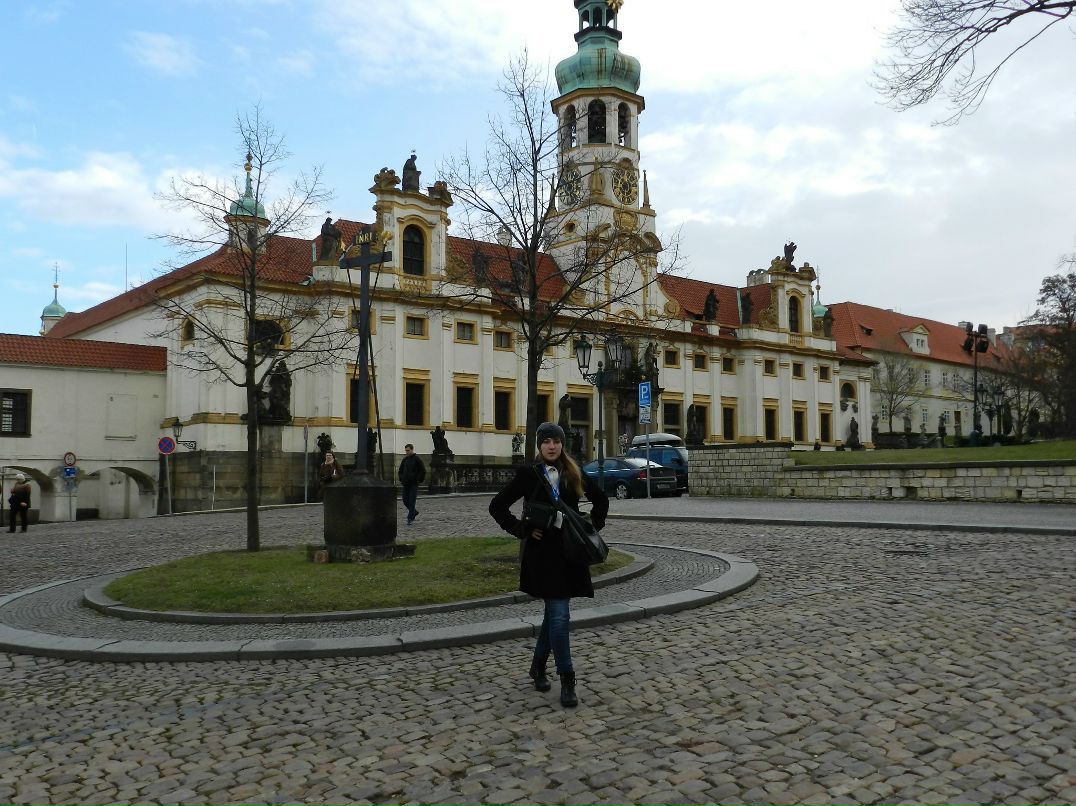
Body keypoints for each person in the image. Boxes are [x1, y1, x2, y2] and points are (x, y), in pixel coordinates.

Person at [488, 421, 610, 708]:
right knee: (559, 616)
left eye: (556, 441)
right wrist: (522, 530)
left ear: (562, 444)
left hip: (569, 553)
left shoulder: (573, 473)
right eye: (546, 442)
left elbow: (601, 501)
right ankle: (567, 678)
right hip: (542, 554)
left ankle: (538, 666)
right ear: (539, 446)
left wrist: (592, 526)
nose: (551, 446)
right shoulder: (528, 475)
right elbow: (497, 506)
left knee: (554, 615)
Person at [397, 444, 426, 525]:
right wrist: (401, 478)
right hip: (405, 483)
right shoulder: (405, 460)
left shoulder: (417, 459)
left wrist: (418, 480)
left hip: (413, 484)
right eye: (406, 450)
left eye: (408, 450)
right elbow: (400, 471)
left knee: (411, 501)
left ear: (412, 450)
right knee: (405, 500)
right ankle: (414, 512)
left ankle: (410, 518)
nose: (407, 452)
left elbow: (423, 471)